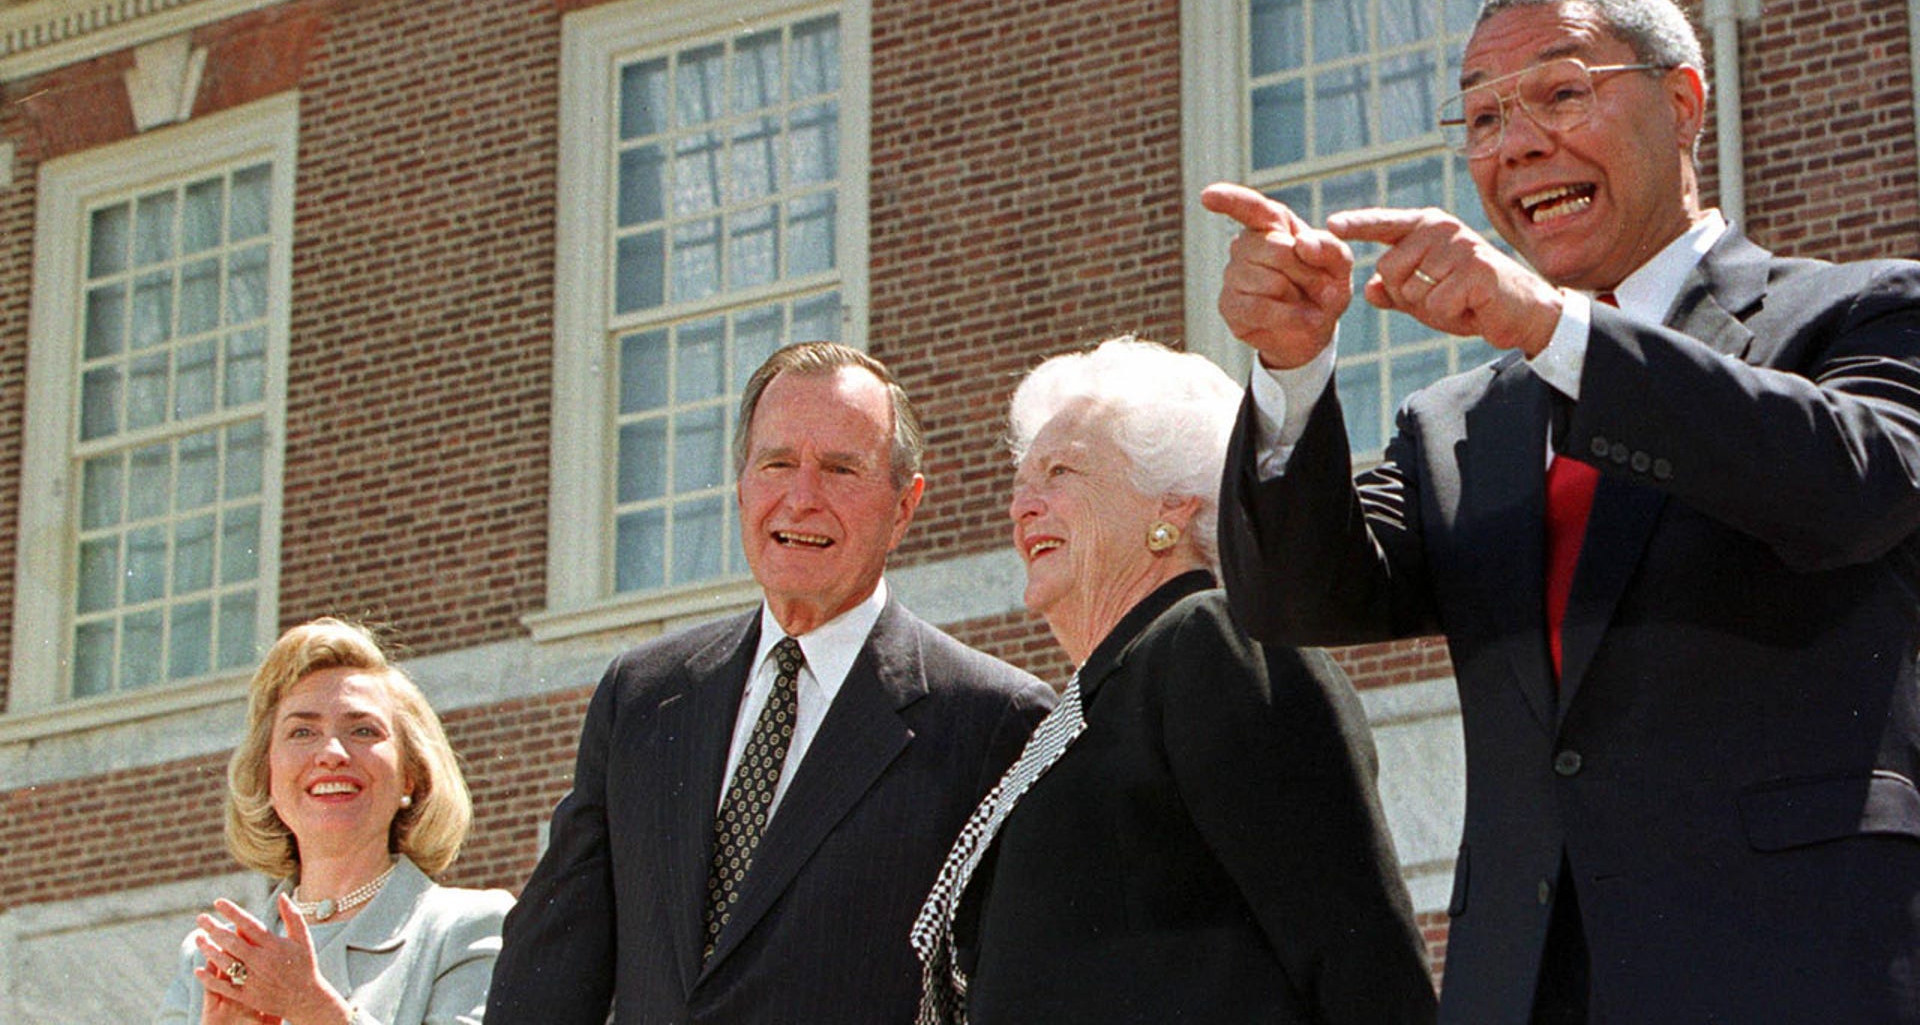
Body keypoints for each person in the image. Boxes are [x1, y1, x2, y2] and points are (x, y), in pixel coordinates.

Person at [1204, 0, 1920, 1025]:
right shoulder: (1458, 423)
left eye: (1561, 92)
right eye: (1484, 117)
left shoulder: (1855, 315)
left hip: (1797, 970)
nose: (1517, 143)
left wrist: (1551, 329)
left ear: (1682, 103)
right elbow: (1302, 598)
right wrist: (1292, 369)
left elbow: (1849, 483)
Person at [485, 341, 1056, 1024]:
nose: (801, 498)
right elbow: (550, 975)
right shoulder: (642, 695)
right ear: (741, 486)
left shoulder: (993, 721)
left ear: (904, 507)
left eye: (842, 469)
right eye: (778, 463)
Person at [912, 337, 1435, 1025]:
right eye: (1021, 484)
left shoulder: (1211, 644)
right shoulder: (1087, 708)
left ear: (1173, 506)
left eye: (1061, 472)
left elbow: (1361, 956)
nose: (1023, 507)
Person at [157, 617, 513, 1025]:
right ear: (267, 776)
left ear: (410, 775)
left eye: (362, 730)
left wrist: (315, 1010)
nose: (331, 753)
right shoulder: (209, 957)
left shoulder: (468, 927)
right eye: (302, 732)